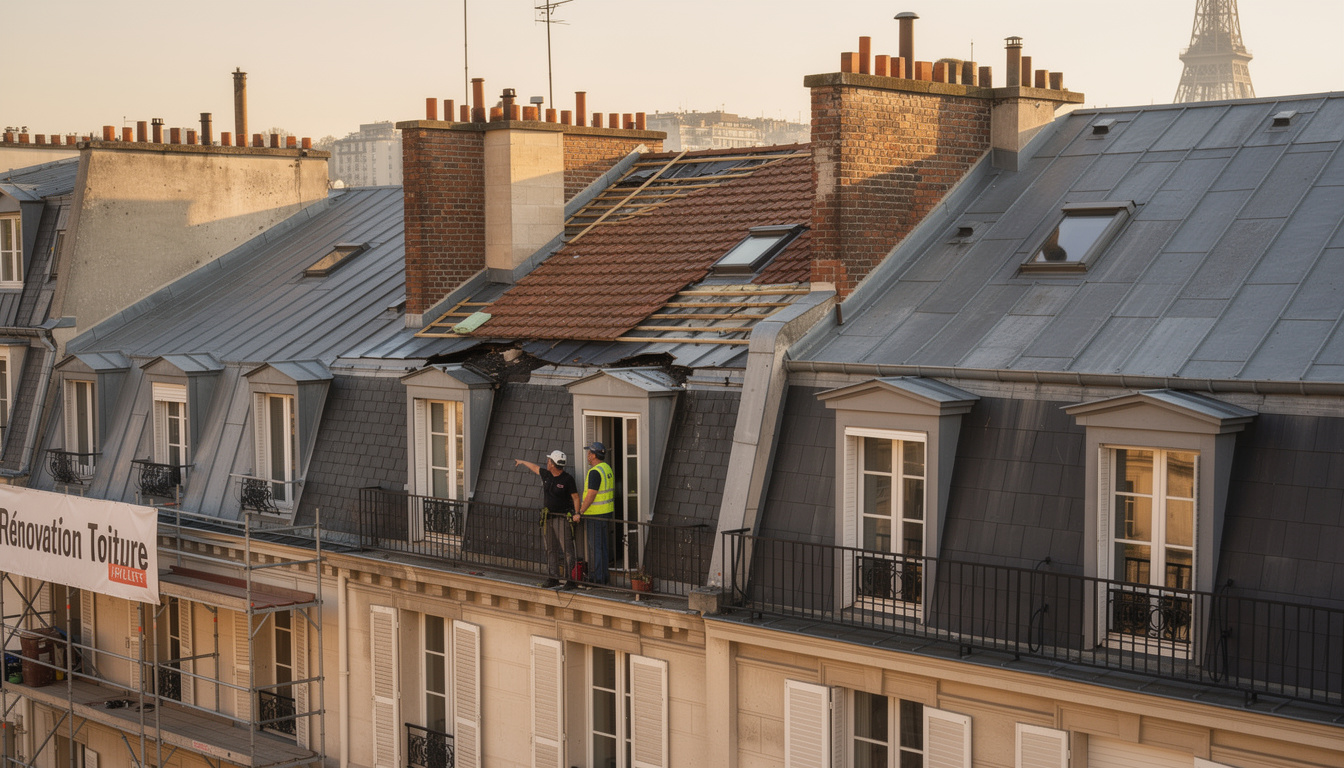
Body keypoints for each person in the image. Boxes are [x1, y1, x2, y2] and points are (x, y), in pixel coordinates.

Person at [514, 450, 580, 589]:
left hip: (562, 519)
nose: (547, 462)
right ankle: (553, 578)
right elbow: (535, 468)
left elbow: (575, 497)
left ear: (553, 464)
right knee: (550, 549)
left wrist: (577, 513)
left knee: (567, 550)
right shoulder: (547, 475)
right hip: (548, 518)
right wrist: (522, 462)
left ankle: (570, 580)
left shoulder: (567, 479)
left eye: (549, 461)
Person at [576, 441, 615, 585]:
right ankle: (603, 577)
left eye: (589, 453)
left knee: (595, 548)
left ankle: (597, 579)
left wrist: (580, 511)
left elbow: (591, 495)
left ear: (593, 455)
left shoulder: (594, 472)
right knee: (602, 547)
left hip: (596, 515)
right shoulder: (607, 468)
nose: (587, 455)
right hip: (606, 513)